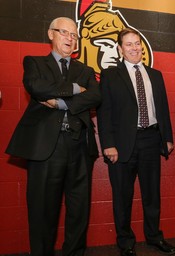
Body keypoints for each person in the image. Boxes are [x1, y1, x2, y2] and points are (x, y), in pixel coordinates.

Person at [6, 17, 101, 256]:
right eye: (65, 32)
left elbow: (96, 96)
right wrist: (75, 89)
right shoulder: (35, 63)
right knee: (42, 211)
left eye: (74, 35)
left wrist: (59, 102)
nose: (70, 38)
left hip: (80, 146)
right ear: (51, 34)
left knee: (79, 211)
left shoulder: (86, 70)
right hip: (47, 147)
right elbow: (37, 87)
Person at [96, 28, 175, 256]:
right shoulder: (110, 75)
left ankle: (154, 237)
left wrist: (167, 137)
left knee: (152, 194)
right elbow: (105, 113)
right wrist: (108, 144)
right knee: (122, 196)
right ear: (120, 49)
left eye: (137, 43)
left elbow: (162, 108)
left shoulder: (155, 75)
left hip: (151, 139)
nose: (134, 48)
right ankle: (126, 242)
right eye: (129, 44)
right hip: (122, 145)